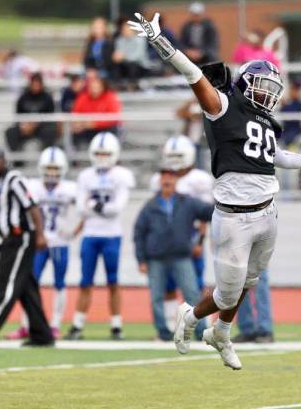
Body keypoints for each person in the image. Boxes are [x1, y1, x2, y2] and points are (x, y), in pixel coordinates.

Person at [128, 11, 301, 369]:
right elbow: (192, 74)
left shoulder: (265, 121)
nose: (269, 94)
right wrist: (161, 41)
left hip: (267, 212)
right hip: (234, 217)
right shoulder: (222, 106)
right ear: (245, 84)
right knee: (227, 293)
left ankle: (220, 333)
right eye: (263, 87)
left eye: (273, 89)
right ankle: (191, 317)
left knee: (250, 281)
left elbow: (274, 156)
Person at [0, 146, 54, 347]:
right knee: (26, 289)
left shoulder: (14, 179)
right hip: (5, 242)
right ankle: (42, 335)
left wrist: (40, 235)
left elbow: (32, 206)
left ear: (3, 160)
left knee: (5, 287)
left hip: (20, 238)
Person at [6, 147, 81, 340]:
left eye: (55, 168)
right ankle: (26, 324)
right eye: (48, 168)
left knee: (59, 284)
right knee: (29, 283)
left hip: (60, 243)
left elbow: (85, 211)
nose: (52, 172)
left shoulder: (70, 188)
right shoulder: (32, 186)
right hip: (38, 244)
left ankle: (55, 325)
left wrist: (73, 232)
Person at [65, 132, 135, 340]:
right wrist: (101, 207)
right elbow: (79, 209)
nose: (102, 157)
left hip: (111, 235)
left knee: (113, 282)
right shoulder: (86, 175)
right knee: (85, 282)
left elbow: (117, 208)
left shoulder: (121, 175)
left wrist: (93, 205)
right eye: (98, 153)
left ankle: (116, 326)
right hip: (90, 234)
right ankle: (77, 326)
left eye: (106, 153)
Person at [135, 160, 213, 342]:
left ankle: (201, 330)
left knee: (192, 293)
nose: (167, 179)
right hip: (156, 257)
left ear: (176, 180)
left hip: (181, 255)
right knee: (157, 296)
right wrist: (141, 259)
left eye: (171, 176)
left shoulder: (187, 201)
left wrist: (221, 200)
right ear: (160, 180)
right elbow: (139, 233)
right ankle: (163, 331)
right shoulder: (150, 205)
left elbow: (208, 212)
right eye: (164, 176)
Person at [149, 136, 214, 332]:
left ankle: (204, 325)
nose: (175, 160)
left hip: (190, 238)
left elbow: (204, 215)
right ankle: (171, 326)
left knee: (197, 284)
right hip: (167, 241)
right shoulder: (160, 180)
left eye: (178, 155)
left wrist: (200, 241)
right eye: (172, 156)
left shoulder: (199, 179)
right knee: (168, 285)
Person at [5, 73, 59, 153]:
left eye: (38, 83)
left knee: (50, 131)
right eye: (34, 83)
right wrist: (24, 126)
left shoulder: (47, 98)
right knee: (10, 132)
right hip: (25, 127)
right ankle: (18, 160)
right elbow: (17, 116)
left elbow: (50, 117)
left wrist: (35, 125)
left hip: (42, 127)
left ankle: (46, 156)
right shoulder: (23, 98)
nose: (36, 85)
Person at [71, 76, 121, 148]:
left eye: (97, 87)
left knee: (112, 130)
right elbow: (75, 113)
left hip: (106, 129)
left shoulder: (110, 97)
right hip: (86, 128)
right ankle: (76, 156)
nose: (94, 90)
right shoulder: (83, 97)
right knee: (76, 131)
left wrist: (95, 124)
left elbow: (113, 117)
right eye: (92, 87)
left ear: (102, 87)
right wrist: (79, 124)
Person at [112, 19, 151, 86]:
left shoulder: (140, 40)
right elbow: (118, 55)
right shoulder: (119, 40)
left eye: (128, 29)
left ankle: (132, 86)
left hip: (140, 66)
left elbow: (138, 56)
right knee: (116, 67)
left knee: (133, 66)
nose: (125, 31)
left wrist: (124, 56)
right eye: (124, 29)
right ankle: (117, 86)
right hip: (125, 65)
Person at [279, 79, 301, 148]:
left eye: (297, 90)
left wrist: (285, 105)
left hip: (295, 131)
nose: (294, 92)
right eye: (293, 89)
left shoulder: (300, 104)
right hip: (286, 130)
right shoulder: (288, 103)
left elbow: (295, 112)